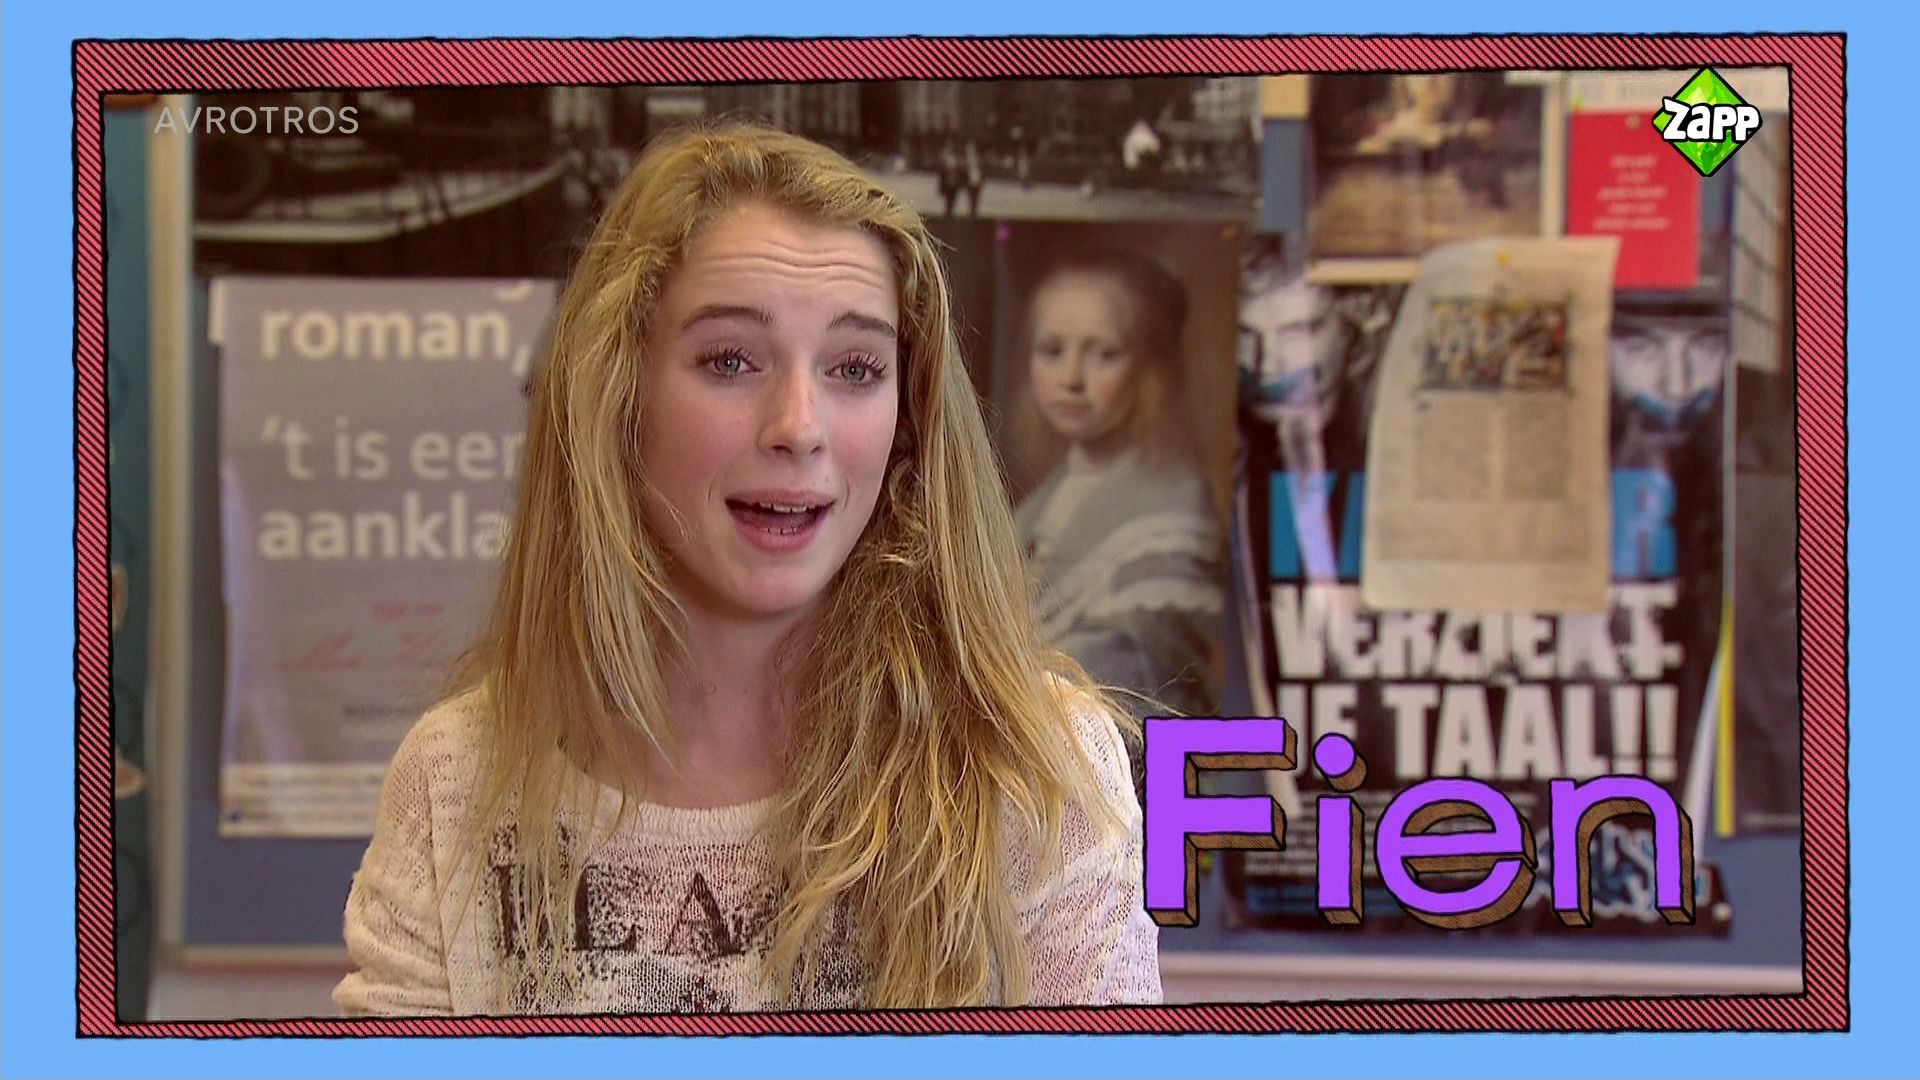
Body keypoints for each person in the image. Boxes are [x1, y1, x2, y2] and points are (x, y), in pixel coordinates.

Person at [333, 123, 1160, 1016]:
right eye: (730, 360)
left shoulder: (1038, 774)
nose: (798, 426)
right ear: (618, 396)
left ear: (908, 420)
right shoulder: (455, 780)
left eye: (855, 367)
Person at [1010, 250, 1227, 789]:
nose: (1071, 378)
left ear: (1148, 368)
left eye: (1104, 355)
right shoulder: (1043, 499)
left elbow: (1129, 682)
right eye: (1052, 351)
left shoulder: (1173, 508)